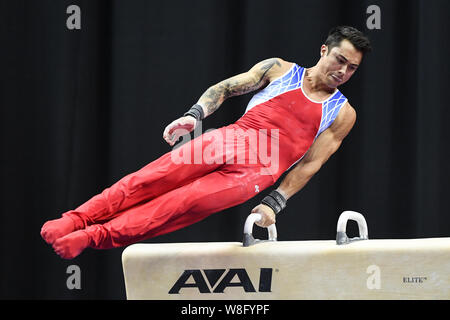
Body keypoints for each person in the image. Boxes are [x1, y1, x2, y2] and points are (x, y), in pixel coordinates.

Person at [41, 26, 371, 259]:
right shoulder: (279, 70)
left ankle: (89, 237)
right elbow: (225, 89)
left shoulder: (342, 113)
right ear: (324, 50)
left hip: (256, 173)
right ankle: (74, 219)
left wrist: (275, 203)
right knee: (147, 180)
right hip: (230, 138)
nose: (343, 71)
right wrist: (195, 114)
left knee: (177, 206)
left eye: (352, 67)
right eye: (340, 60)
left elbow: (312, 162)